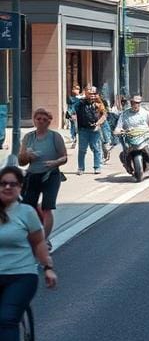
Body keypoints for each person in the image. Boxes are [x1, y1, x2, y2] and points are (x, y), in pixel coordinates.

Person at [0, 166, 56, 341]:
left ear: (20, 187)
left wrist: (48, 267)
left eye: (12, 183)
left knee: (6, 317)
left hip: (21, 276)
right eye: (3, 183)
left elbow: (38, 244)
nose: (7, 187)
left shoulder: (26, 213)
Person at [18, 108, 68, 245]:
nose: (40, 122)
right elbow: (21, 161)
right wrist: (27, 156)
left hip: (51, 175)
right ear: (34, 120)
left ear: (49, 121)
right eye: (38, 119)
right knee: (27, 206)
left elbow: (64, 157)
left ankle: (43, 239)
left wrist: (55, 162)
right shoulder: (28, 137)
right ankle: (32, 231)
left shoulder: (55, 136)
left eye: (44, 119)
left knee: (47, 207)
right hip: (32, 175)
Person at [74, 84, 106, 175]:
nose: (92, 95)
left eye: (94, 93)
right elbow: (73, 111)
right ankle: (81, 168)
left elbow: (104, 116)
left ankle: (97, 167)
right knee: (82, 150)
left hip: (94, 130)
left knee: (96, 149)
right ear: (86, 93)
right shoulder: (80, 103)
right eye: (90, 93)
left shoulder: (99, 104)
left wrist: (98, 123)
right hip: (83, 130)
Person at [65, 84, 82, 148]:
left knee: (78, 128)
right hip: (73, 115)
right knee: (73, 128)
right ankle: (74, 139)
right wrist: (70, 114)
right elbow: (69, 107)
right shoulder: (71, 98)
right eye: (75, 89)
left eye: (78, 89)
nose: (76, 90)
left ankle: (77, 140)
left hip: (79, 115)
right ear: (72, 90)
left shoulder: (81, 98)